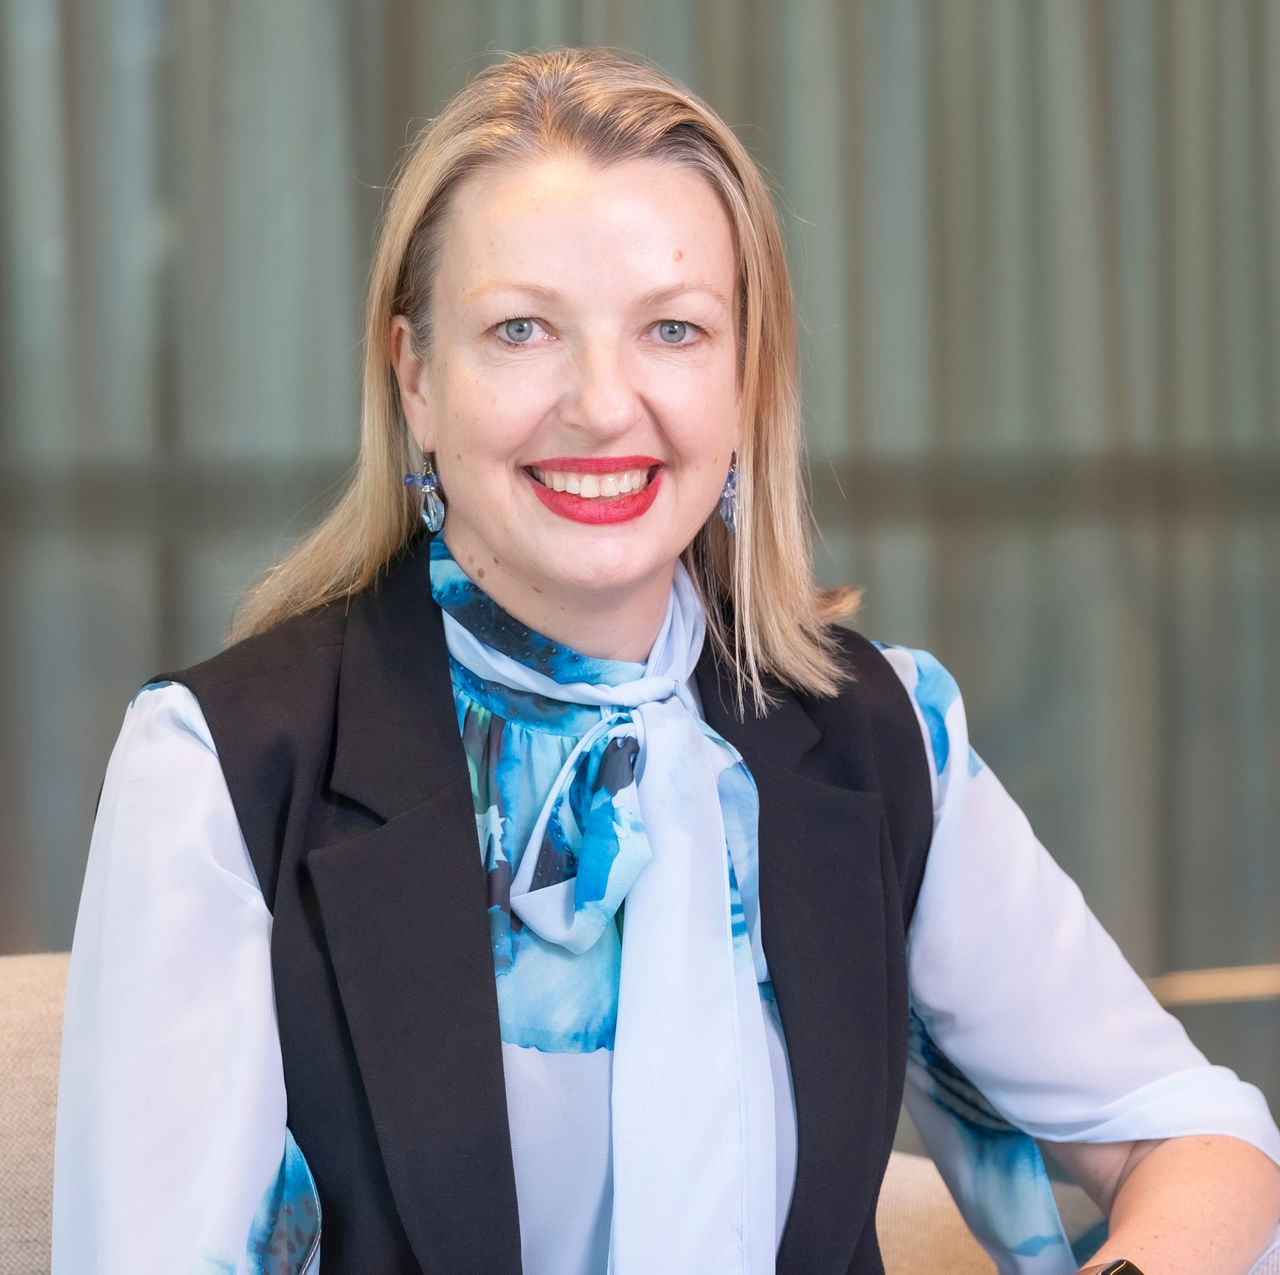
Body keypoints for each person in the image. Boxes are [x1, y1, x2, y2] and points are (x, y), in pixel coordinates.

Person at [53, 47, 1280, 1275]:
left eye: (673, 330)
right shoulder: (217, 772)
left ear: (744, 382)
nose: (602, 404)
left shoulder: (878, 733)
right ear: (415, 376)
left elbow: (1198, 1139)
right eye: (521, 329)